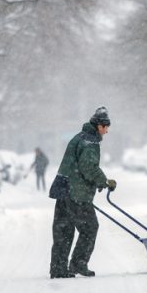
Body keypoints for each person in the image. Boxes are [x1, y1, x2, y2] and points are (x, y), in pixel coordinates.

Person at [48, 106, 116, 278]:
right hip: (76, 193)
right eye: (105, 127)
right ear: (98, 125)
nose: (106, 131)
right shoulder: (90, 141)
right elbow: (88, 167)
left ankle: (58, 268)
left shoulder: (80, 138)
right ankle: (79, 262)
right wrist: (104, 181)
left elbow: (80, 165)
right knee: (90, 228)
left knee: (63, 230)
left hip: (63, 189)